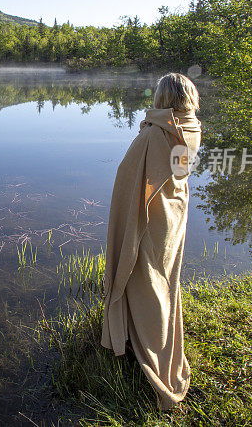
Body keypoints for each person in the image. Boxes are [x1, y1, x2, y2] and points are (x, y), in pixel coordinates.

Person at [100, 72, 202, 410]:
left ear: (162, 98)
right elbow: (177, 174)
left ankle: (153, 350)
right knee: (164, 279)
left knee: (144, 280)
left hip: (150, 220)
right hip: (173, 215)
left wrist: (148, 129)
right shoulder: (190, 127)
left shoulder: (156, 134)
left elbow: (127, 177)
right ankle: (139, 335)